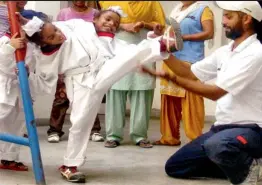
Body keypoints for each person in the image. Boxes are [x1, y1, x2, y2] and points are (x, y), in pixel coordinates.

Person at [21, 7, 177, 183]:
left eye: (56, 30)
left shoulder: (78, 27)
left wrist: (150, 39)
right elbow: (43, 79)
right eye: (52, 37)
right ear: (43, 43)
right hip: (80, 82)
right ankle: (69, 165)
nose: (59, 34)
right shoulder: (45, 56)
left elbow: (126, 49)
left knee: (126, 57)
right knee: (80, 122)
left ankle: (161, 45)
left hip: (102, 71)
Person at [141, 1, 262, 185]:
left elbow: (215, 93)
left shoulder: (255, 53)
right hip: (221, 128)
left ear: (246, 19)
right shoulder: (225, 52)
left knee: (219, 145)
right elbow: (189, 72)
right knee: (176, 166)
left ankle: (251, 170)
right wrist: (164, 52)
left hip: (251, 129)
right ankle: (241, 165)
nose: (223, 21)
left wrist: (172, 78)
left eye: (229, 16)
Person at [99, 1, 166, 149]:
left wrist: (145, 25)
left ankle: (140, 135)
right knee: (115, 90)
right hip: (118, 47)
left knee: (142, 91)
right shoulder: (110, 2)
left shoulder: (151, 2)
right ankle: (113, 136)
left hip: (144, 48)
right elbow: (102, 22)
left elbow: (161, 26)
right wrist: (124, 25)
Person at [155, 1, 214, 146]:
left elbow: (209, 33)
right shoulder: (177, 10)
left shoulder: (203, 9)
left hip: (190, 61)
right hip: (172, 58)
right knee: (168, 99)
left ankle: (195, 139)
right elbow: (170, 32)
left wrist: (185, 38)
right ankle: (169, 138)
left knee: (192, 101)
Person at [47, 0, 104, 143]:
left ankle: (94, 130)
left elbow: (100, 37)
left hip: (89, 63)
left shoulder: (95, 14)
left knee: (89, 97)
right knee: (61, 97)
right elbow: (56, 38)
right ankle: (54, 130)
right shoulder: (63, 13)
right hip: (68, 63)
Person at [0, 13, 36, 171]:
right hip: (4, 87)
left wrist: (27, 71)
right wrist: (10, 47)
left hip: (21, 89)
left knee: (17, 125)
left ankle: (9, 158)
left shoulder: (33, 46)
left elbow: (35, 65)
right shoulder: (5, 39)